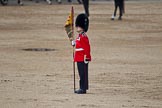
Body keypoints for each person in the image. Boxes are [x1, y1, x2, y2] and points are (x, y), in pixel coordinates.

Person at [72, 13, 91, 94]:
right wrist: (74, 43)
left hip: (82, 57)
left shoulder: (83, 36)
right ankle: (82, 87)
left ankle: (83, 89)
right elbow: (78, 45)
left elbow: (87, 47)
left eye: (78, 26)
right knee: (81, 73)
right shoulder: (79, 36)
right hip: (78, 57)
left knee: (83, 74)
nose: (77, 27)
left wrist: (87, 57)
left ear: (82, 27)